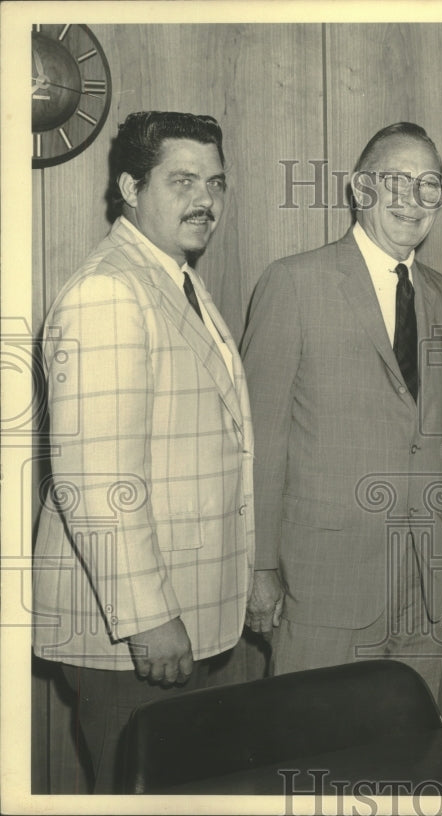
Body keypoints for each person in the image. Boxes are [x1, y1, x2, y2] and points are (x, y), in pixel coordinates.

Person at [241, 124, 442, 701]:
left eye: (429, 187)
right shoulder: (294, 283)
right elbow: (258, 442)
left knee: (409, 760)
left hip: (424, 581)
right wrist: (258, 568)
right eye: (397, 180)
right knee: (316, 756)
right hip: (325, 580)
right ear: (360, 188)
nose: (412, 199)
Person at [33, 111, 253, 793]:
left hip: (189, 615)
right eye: (182, 180)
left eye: (215, 182)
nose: (205, 200)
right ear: (130, 188)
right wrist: (149, 619)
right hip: (133, 634)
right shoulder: (109, 290)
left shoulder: (172, 277)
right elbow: (97, 482)